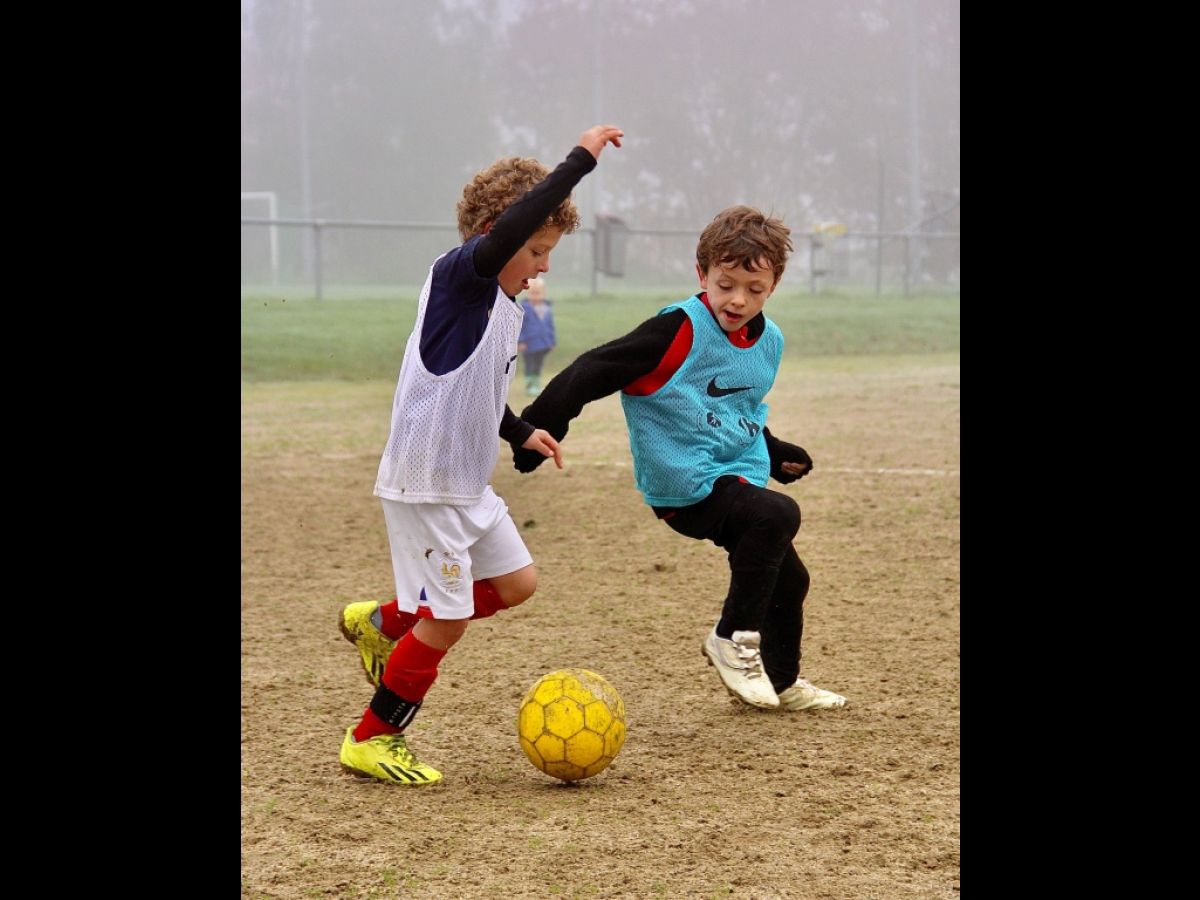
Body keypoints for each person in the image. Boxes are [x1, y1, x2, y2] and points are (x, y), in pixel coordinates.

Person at [337, 124, 625, 786]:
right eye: (536, 248)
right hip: (427, 483)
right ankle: (371, 737)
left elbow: (468, 392)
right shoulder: (461, 278)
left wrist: (519, 431)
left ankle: (384, 623)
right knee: (451, 619)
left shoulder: (503, 305)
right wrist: (578, 160)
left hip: (466, 485)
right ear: (496, 233)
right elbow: (509, 232)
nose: (544, 265)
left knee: (517, 584)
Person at [511, 205, 846, 714]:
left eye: (754, 290)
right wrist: (537, 427)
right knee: (777, 515)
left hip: (731, 474)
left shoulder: (769, 341)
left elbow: (738, 405)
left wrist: (774, 452)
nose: (737, 300)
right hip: (686, 484)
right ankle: (732, 640)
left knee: (791, 578)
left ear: (773, 285)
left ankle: (779, 683)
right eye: (725, 283)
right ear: (702, 273)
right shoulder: (676, 330)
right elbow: (592, 370)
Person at [517, 277, 556, 396]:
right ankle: (530, 385)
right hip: (529, 344)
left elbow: (550, 326)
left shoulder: (546, 308)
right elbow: (520, 327)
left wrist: (552, 341)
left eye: (538, 292)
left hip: (543, 343)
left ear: (543, 293)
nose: (535, 295)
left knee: (538, 364)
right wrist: (521, 341)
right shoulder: (524, 309)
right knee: (530, 364)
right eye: (532, 293)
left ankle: (536, 382)